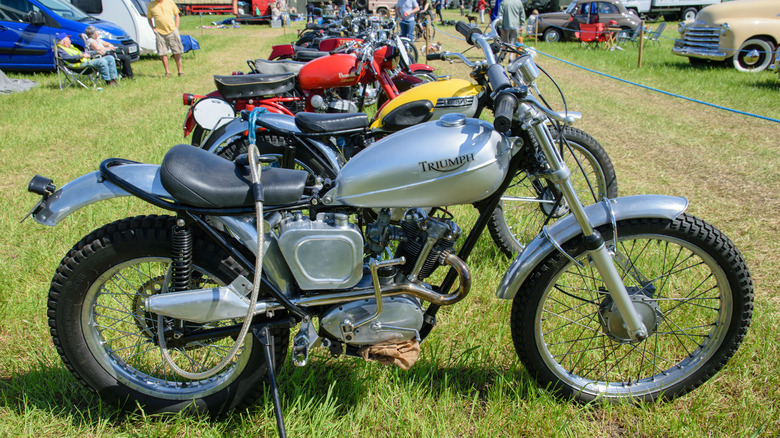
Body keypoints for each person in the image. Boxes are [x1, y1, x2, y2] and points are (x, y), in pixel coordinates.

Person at [147, 0, 184, 77]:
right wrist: (153, 28)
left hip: (172, 31)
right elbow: (149, 18)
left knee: (176, 51)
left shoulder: (170, 2)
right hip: (160, 33)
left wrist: (176, 28)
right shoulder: (151, 5)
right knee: (163, 53)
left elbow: (177, 15)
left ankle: (180, 72)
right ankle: (167, 72)